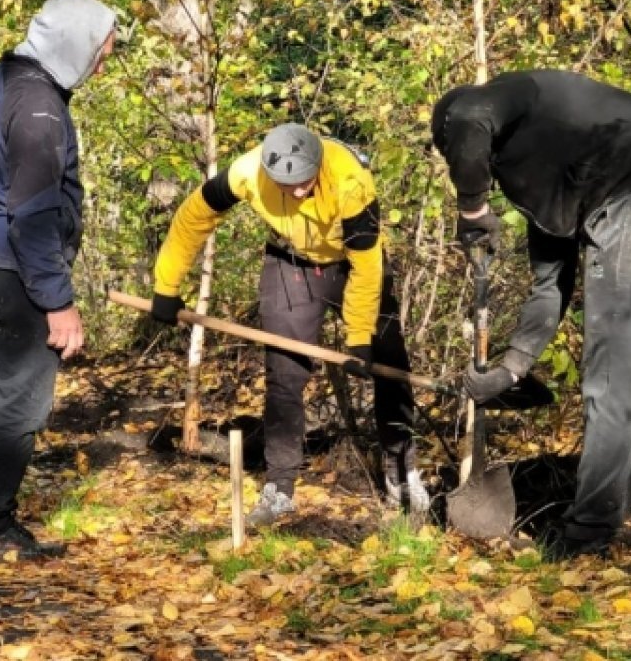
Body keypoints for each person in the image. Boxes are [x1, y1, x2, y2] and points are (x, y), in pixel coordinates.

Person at [431, 69, 631, 559]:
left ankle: (588, 534)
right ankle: (615, 509)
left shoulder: (496, 101)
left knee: (611, 383)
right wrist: (513, 368)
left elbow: (468, 116)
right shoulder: (558, 162)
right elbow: (550, 284)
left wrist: (472, 208)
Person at [150, 123, 430, 526]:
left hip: (352, 265)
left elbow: (367, 267)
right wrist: (167, 284)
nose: (298, 192)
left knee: (389, 361)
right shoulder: (246, 172)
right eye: (287, 184)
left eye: (304, 182)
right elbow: (195, 215)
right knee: (284, 373)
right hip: (291, 263)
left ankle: (402, 473)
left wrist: (358, 337)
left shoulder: (351, 181)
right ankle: (280, 488)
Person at [0, 0, 117, 564]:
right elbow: (35, 210)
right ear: (75, 41)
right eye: (101, 47)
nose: (104, 59)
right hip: (17, 268)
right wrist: (58, 301)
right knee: (19, 405)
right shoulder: (39, 102)